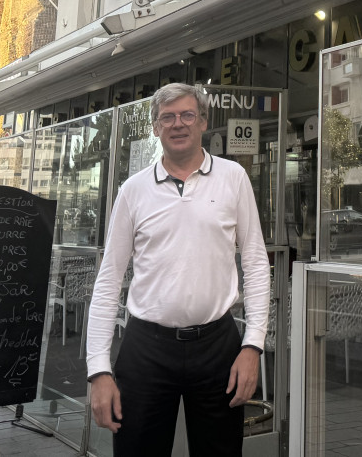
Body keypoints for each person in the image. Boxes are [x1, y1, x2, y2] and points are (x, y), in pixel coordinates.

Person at [86, 83, 270, 457]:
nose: (178, 124)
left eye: (188, 115)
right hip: (146, 351)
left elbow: (255, 262)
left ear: (203, 122)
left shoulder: (233, 178)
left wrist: (253, 345)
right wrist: (99, 370)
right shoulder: (133, 190)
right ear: (155, 127)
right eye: (167, 117)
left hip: (218, 347)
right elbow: (108, 281)